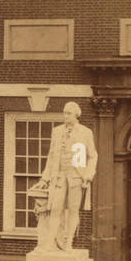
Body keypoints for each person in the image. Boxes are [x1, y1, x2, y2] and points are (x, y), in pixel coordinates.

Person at [31, 101, 97, 251]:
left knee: (73, 210)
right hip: (59, 176)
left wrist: (88, 175)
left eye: (68, 113)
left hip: (76, 176)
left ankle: (68, 243)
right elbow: (51, 155)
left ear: (76, 115)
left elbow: (93, 156)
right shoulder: (57, 131)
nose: (65, 116)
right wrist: (44, 178)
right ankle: (50, 242)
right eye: (64, 113)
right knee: (55, 209)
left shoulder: (85, 132)